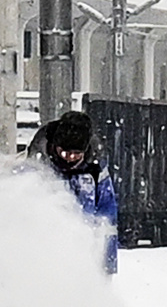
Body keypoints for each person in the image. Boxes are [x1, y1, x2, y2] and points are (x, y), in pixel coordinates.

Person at [40, 111, 124, 273]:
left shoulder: (96, 171)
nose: (70, 158)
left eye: (77, 154)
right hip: (46, 258)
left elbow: (107, 220)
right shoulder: (35, 169)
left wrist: (107, 265)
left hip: (83, 257)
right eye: (65, 153)